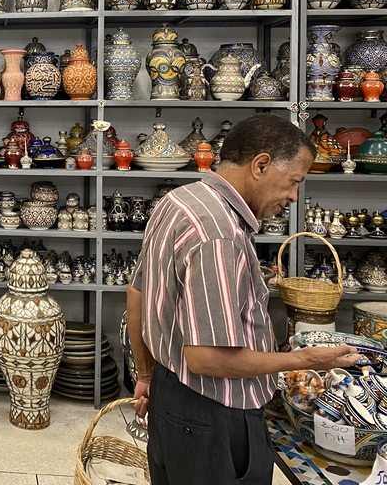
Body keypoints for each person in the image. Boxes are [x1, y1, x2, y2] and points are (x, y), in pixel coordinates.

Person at [126, 113, 359, 485]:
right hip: (214, 417)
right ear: (261, 165)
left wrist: (146, 374)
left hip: (171, 396)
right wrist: (306, 359)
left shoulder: (180, 200)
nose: (293, 196)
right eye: (294, 181)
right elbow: (207, 358)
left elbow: (136, 291)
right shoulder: (220, 235)